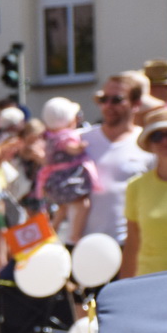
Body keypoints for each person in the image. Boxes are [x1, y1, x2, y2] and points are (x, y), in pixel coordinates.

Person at [81, 73, 155, 243]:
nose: (108, 105)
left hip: (130, 245)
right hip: (86, 246)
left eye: (117, 100)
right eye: (104, 99)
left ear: (136, 104)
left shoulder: (148, 143)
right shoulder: (81, 140)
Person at [119, 107, 167, 278]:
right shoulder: (136, 186)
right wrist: (125, 289)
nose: (165, 141)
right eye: (157, 136)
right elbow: (132, 243)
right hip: (150, 283)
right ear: (150, 144)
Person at [35, 96, 96, 243]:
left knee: (62, 208)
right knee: (83, 204)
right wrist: (80, 147)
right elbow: (70, 147)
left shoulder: (50, 137)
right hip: (68, 182)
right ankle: (75, 233)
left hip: (54, 182)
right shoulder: (66, 136)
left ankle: (52, 230)